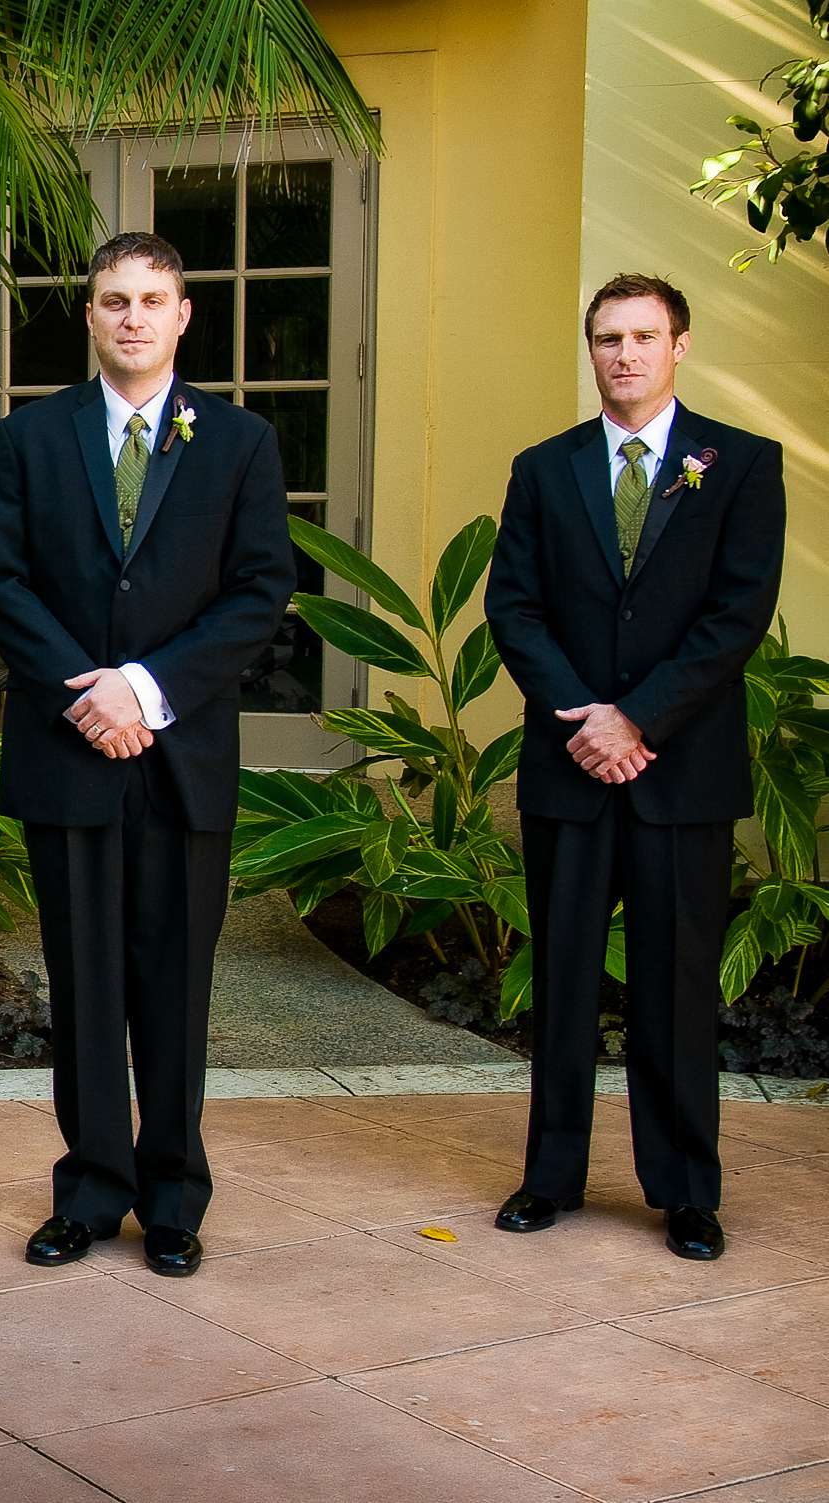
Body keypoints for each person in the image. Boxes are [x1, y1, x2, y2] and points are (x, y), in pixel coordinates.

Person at [0, 231, 296, 1277]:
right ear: (90, 315)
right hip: (70, 754)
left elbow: (258, 592)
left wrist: (143, 691)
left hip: (179, 754)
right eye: (113, 300)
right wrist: (86, 695)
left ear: (183, 313)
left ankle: (173, 1200)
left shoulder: (239, 442)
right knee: (84, 981)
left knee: (172, 985)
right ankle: (90, 1190)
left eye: (152, 298)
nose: (132, 318)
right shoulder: (29, 437)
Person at [483, 272, 784, 1261]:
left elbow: (733, 615)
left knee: (675, 989)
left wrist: (638, 719)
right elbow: (513, 608)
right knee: (563, 980)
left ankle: (684, 1190)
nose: (622, 354)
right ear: (591, 349)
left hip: (679, 772)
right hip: (569, 763)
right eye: (606, 337)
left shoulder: (736, 465)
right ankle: (549, 1177)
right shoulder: (542, 469)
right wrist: (584, 717)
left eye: (642, 336)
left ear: (677, 347)